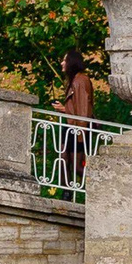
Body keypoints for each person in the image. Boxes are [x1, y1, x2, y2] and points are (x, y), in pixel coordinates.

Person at [58, 49, 94, 188]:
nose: (62, 63)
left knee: (77, 166)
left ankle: (95, 188)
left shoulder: (81, 80)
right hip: (70, 126)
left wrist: (81, 134)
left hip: (78, 128)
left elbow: (83, 109)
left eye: (65, 60)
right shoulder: (74, 80)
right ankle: (66, 192)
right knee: (62, 160)